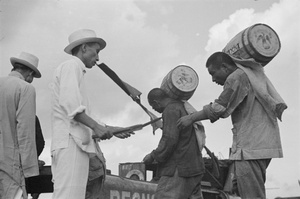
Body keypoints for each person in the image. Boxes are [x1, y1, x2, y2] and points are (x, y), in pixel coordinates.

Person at [177, 51, 287, 198]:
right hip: (260, 145)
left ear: (224, 67)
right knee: (240, 187)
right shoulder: (250, 75)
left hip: (250, 148)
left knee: (252, 195)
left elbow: (219, 108)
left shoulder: (236, 77)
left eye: (213, 73)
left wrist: (191, 118)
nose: (213, 79)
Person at [50, 29, 133, 199]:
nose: (98, 58)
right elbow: (71, 106)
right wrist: (97, 127)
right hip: (71, 143)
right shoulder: (71, 66)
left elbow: (80, 114)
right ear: (85, 48)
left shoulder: (75, 70)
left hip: (75, 143)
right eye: (97, 52)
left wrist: (110, 128)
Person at [143, 88, 205, 199]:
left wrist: (152, 156)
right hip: (194, 168)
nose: (154, 109)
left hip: (178, 169)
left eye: (153, 106)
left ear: (156, 102)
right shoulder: (183, 107)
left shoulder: (170, 110)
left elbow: (169, 139)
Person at [0, 52, 42, 199]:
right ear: (30, 73)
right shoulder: (25, 88)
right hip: (11, 162)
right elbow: (25, 131)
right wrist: (30, 170)